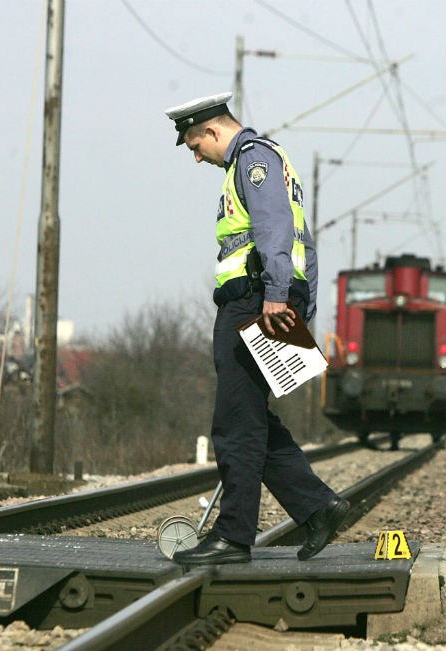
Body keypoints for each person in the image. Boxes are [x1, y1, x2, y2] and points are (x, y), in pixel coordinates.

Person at [163, 92, 350, 566]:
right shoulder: (256, 163)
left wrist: (274, 294)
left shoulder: (254, 159)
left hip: (254, 302)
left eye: (192, 143)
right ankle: (317, 507)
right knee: (251, 420)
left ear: (210, 129)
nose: (193, 154)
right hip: (262, 299)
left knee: (236, 424)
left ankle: (233, 537)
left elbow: (274, 226)